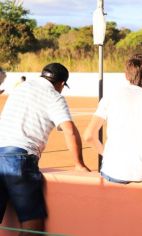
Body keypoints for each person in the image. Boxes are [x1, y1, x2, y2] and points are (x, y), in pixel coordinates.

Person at [0, 62, 90, 233]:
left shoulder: (22, 87)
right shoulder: (53, 96)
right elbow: (69, 131)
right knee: (32, 221)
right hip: (19, 158)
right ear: (62, 83)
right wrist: (79, 164)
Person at [84, 54, 142, 184]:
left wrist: (107, 156)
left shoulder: (110, 97)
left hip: (112, 171)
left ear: (126, 75)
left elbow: (89, 136)